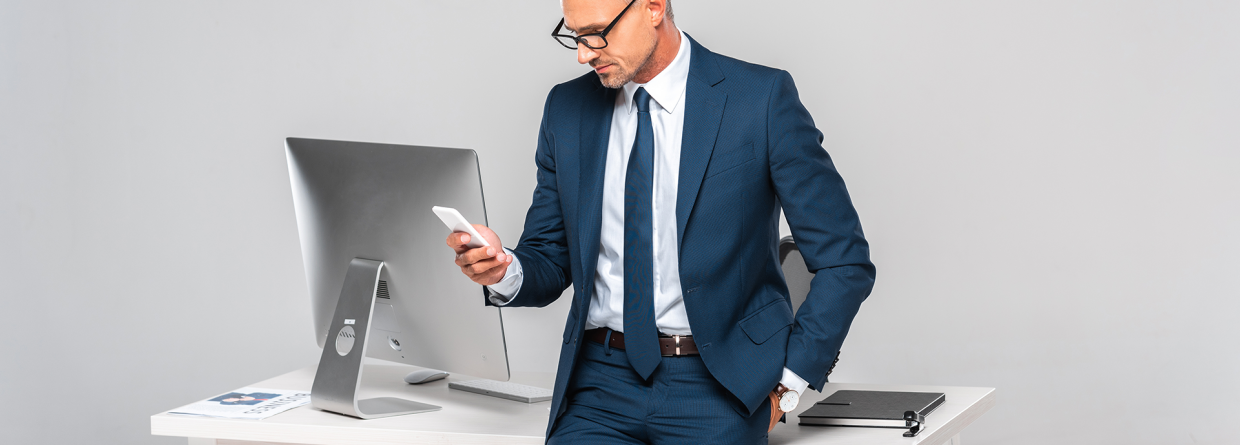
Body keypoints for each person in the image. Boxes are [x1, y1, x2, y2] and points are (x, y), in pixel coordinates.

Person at [446, 0, 875, 443]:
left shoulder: (759, 99)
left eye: (597, 32)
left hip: (719, 386)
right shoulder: (566, 108)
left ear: (653, 7)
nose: (584, 52)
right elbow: (550, 259)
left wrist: (787, 388)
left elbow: (845, 262)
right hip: (599, 386)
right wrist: (503, 269)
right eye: (574, 34)